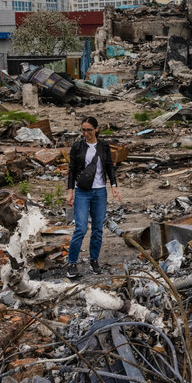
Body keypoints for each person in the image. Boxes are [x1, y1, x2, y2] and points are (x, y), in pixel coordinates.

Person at [66, 116, 119, 277]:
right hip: (82, 191)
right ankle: (72, 263)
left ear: (96, 129)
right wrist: (70, 192)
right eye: (83, 130)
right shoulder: (77, 146)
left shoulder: (103, 146)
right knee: (81, 228)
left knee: (97, 228)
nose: (86, 133)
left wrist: (114, 186)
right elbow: (72, 170)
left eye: (89, 130)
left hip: (100, 191)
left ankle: (94, 260)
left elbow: (109, 165)